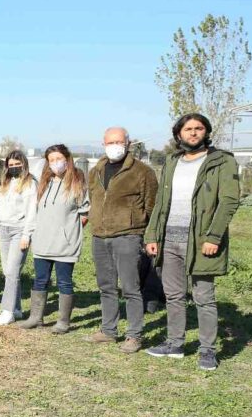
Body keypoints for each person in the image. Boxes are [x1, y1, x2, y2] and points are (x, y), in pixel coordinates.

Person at [144, 114, 240, 371]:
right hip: (169, 238)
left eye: (199, 128)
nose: (194, 133)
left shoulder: (221, 161)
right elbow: (161, 204)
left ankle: (207, 350)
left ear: (206, 132)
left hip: (200, 240)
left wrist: (213, 236)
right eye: (188, 129)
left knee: (204, 297)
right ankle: (174, 343)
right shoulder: (172, 161)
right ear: (179, 134)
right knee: (173, 295)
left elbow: (229, 201)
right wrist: (152, 235)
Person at [86, 127, 159, 353]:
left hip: (127, 236)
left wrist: (147, 236)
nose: (114, 146)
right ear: (103, 143)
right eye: (110, 142)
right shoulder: (96, 171)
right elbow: (94, 200)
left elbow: (152, 206)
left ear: (128, 143)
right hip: (100, 235)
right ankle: (109, 330)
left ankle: (134, 335)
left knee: (130, 287)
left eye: (118, 141)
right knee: (106, 286)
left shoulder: (142, 172)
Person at [20, 145, 90, 332]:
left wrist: (67, 232)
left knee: (64, 282)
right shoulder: (44, 183)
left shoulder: (77, 183)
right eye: (51, 160)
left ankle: (63, 321)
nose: (55, 163)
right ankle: (36, 317)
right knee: (40, 280)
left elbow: (84, 214)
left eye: (59, 159)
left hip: (64, 245)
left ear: (67, 159)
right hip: (43, 241)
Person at [0, 151, 37, 325]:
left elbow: (32, 211)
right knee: (8, 272)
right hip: (4, 230)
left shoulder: (30, 184)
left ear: (23, 165)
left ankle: (7, 310)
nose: (14, 167)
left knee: (12, 271)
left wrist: (27, 235)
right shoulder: (5, 183)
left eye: (17, 164)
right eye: (11, 165)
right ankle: (17, 308)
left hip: (19, 230)